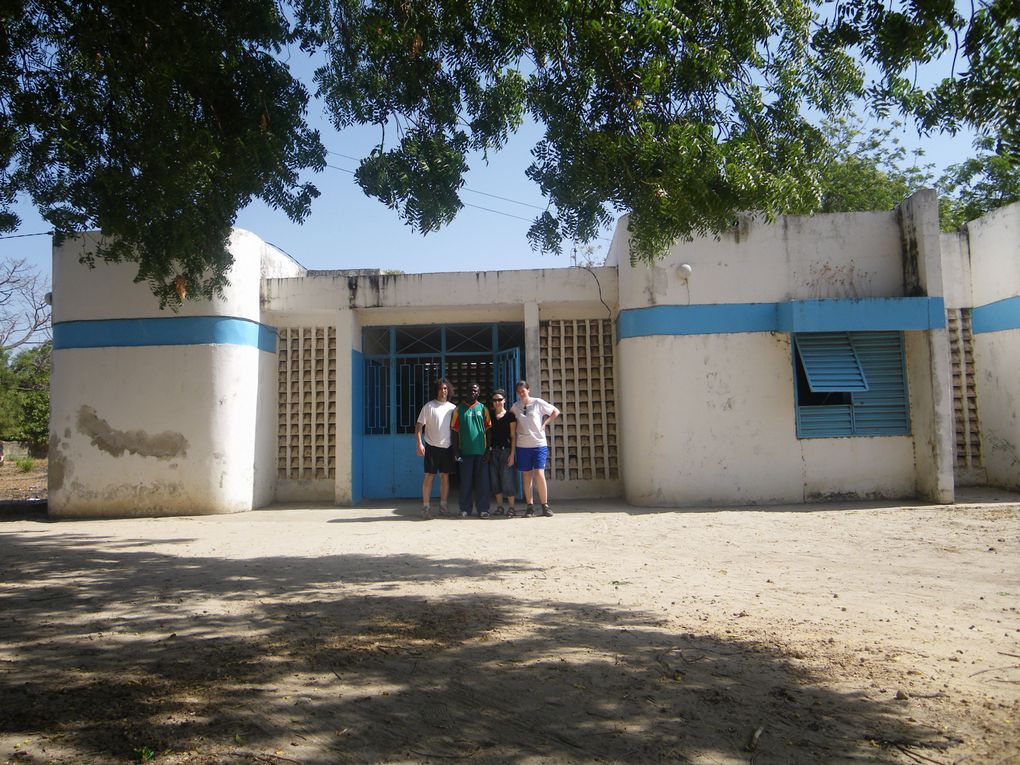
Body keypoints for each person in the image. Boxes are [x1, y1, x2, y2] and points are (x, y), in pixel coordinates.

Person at [508, 380, 559, 517]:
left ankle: (544, 505)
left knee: (539, 474)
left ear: (528, 390)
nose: (521, 394)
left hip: (538, 444)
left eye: (523, 391)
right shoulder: (516, 406)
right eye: (518, 392)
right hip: (523, 445)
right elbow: (508, 418)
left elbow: (555, 411)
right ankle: (529, 506)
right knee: (526, 475)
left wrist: (545, 423)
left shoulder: (537, 402)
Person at [415, 378, 456, 520]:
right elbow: (419, 427)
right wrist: (419, 444)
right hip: (431, 447)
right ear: (436, 390)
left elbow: (456, 429)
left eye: (445, 388)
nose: (443, 391)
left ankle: (443, 506)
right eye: (440, 388)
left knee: (445, 477)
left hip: (447, 448)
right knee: (429, 476)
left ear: (448, 390)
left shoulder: (452, 408)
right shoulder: (428, 407)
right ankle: (426, 507)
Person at [451, 382, 492, 518]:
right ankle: (464, 509)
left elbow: (489, 430)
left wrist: (488, 450)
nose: (472, 393)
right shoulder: (459, 410)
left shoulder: (483, 408)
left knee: (482, 483)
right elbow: (455, 432)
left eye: (475, 391)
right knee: (465, 482)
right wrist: (456, 451)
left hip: (481, 452)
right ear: (466, 392)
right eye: (470, 390)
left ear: (478, 393)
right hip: (464, 452)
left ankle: (483, 509)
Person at [487, 388, 517, 517]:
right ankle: (500, 507)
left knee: (507, 480)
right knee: (495, 480)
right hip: (493, 451)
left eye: (499, 399)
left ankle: (511, 507)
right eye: (495, 400)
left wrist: (512, 454)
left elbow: (513, 436)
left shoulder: (510, 416)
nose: (497, 402)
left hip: (506, 451)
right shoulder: (490, 416)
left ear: (504, 400)